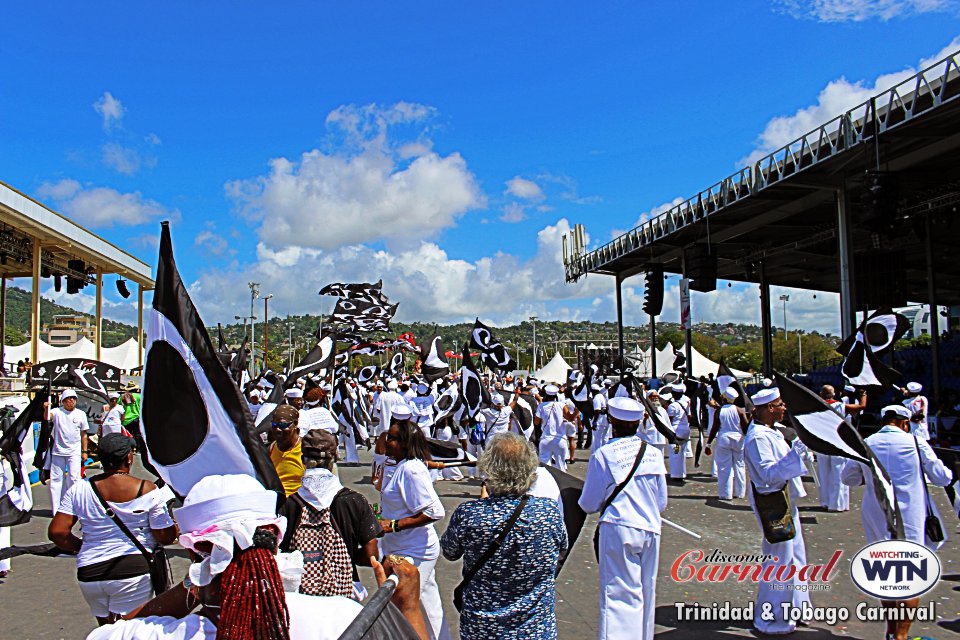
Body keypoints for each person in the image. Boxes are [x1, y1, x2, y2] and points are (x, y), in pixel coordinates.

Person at [85, 473, 430, 640]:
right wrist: (410, 607)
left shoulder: (155, 635)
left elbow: (116, 629)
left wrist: (197, 585)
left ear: (195, 552)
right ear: (276, 539)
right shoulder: (341, 616)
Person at [441, 433, 568, 639]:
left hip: (483, 626)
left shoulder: (470, 514)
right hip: (535, 626)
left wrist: (482, 505)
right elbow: (561, 546)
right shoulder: (549, 512)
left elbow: (450, 551)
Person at [841, 404, 952, 640]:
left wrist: (867, 477)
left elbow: (848, 478)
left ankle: (891, 632)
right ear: (904, 422)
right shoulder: (915, 443)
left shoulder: (866, 443)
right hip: (911, 516)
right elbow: (941, 478)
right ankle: (902, 635)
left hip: (878, 515)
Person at [48, 433, 178, 625]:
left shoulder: (80, 489)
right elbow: (165, 536)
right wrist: (173, 528)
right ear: (128, 458)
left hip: (90, 572)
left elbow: (57, 532)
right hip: (132, 571)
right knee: (130, 630)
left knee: (107, 630)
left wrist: (83, 546)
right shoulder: (146, 489)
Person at [578, 397, 667, 640]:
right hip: (650, 526)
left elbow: (588, 503)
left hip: (618, 525)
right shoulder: (653, 453)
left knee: (617, 594)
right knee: (646, 590)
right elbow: (661, 502)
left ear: (611, 421)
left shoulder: (604, 455)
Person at [280, 429, 380, 600]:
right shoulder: (355, 501)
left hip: (301, 598)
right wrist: (340, 555)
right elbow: (372, 555)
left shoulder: (290, 504)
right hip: (342, 595)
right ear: (334, 457)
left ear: (303, 459)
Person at [742, 387, 811, 635]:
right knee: (780, 560)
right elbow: (768, 475)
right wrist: (795, 457)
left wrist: (799, 457)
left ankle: (797, 607)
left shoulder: (771, 432)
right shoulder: (758, 438)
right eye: (780, 404)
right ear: (769, 408)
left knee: (796, 555)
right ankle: (773, 617)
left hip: (785, 499)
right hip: (773, 502)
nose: (784, 408)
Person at [379, 416, 451, 640]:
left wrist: (394, 525)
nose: (386, 441)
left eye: (391, 438)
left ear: (404, 443)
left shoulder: (411, 470)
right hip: (401, 547)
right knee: (428, 604)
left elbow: (434, 511)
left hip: (414, 551)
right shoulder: (404, 466)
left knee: (405, 604)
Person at [816, 384, 866, 512]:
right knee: (838, 472)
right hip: (837, 441)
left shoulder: (815, 404)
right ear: (834, 394)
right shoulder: (839, 405)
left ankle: (825, 501)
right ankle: (836, 504)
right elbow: (861, 407)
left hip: (821, 441)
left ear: (821, 394)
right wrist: (863, 395)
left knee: (824, 472)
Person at [47, 389, 90, 515]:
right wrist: (46, 408)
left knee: (74, 479)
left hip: (74, 452)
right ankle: (56, 510)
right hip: (58, 451)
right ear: (63, 401)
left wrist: (85, 451)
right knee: (56, 480)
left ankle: (73, 507)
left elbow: (84, 434)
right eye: (68, 399)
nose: (71, 401)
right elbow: (46, 417)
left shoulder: (81, 414)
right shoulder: (56, 412)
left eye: (73, 398)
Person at [706, 387, 747, 500]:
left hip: (724, 439)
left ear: (724, 398)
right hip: (738, 439)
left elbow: (715, 428)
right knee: (739, 465)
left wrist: (708, 444)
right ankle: (740, 492)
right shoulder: (739, 410)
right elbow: (745, 428)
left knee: (724, 467)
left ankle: (725, 493)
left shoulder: (720, 411)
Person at [533, 385, 576, 471]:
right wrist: (577, 411)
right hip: (560, 440)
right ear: (555, 395)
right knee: (561, 467)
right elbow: (571, 418)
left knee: (544, 468)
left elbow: (536, 422)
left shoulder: (541, 406)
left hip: (546, 439)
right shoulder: (562, 405)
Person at [269, 405, 305, 497]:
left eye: (282, 425)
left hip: (298, 505)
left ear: (295, 424)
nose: (277, 429)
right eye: (274, 425)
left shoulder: (305, 449)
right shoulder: (270, 449)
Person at [638, 388, 669, 455]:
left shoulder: (662, 410)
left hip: (660, 439)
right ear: (648, 398)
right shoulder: (643, 410)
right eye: (653, 396)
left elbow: (667, 424)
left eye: (657, 396)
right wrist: (645, 419)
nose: (656, 398)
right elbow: (640, 428)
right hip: (649, 439)